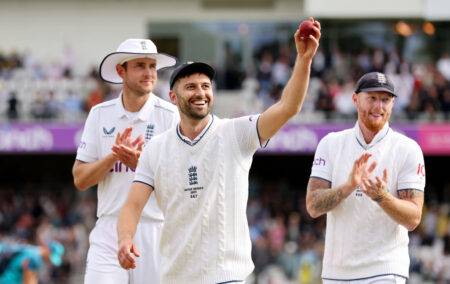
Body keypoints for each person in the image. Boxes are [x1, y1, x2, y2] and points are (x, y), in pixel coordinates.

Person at [117, 19, 321, 283]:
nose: (200, 92)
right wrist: (124, 240)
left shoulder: (235, 133)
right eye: (190, 87)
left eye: (205, 86)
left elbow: (288, 107)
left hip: (228, 276)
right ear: (173, 97)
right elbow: (132, 206)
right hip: (176, 277)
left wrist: (304, 60)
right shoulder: (156, 148)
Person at [72, 38, 178, 284]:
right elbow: (80, 179)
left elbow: (181, 181)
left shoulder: (170, 115)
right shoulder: (100, 114)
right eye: (140, 65)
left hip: (155, 229)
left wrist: (143, 165)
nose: (149, 73)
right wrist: (113, 157)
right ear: (121, 71)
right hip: (109, 228)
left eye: (152, 66)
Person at [306, 72, 426, 283]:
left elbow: (414, 218)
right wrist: (348, 186)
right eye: (372, 98)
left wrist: (382, 197)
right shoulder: (330, 143)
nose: (379, 107)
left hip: (385, 270)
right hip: (337, 273)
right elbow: (313, 206)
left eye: (385, 100)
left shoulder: (407, 148)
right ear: (355, 99)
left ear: (393, 104)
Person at [0, 241, 64, 284]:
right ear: (48, 250)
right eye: (51, 257)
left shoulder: (32, 250)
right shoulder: (36, 259)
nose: (50, 261)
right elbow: (28, 280)